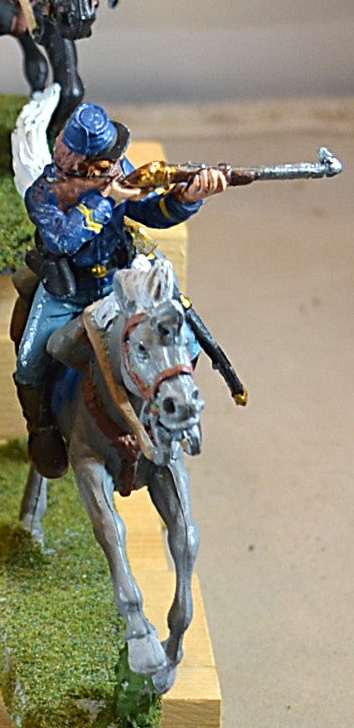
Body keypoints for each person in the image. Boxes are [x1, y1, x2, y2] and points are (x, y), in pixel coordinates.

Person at [15, 102, 226, 476]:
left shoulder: (117, 172)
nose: (116, 164)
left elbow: (150, 212)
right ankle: (42, 428)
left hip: (121, 283)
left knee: (188, 341)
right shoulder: (44, 193)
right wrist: (105, 200)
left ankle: (168, 408)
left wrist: (187, 199)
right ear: (85, 164)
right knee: (29, 361)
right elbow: (63, 240)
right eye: (105, 161)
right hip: (69, 291)